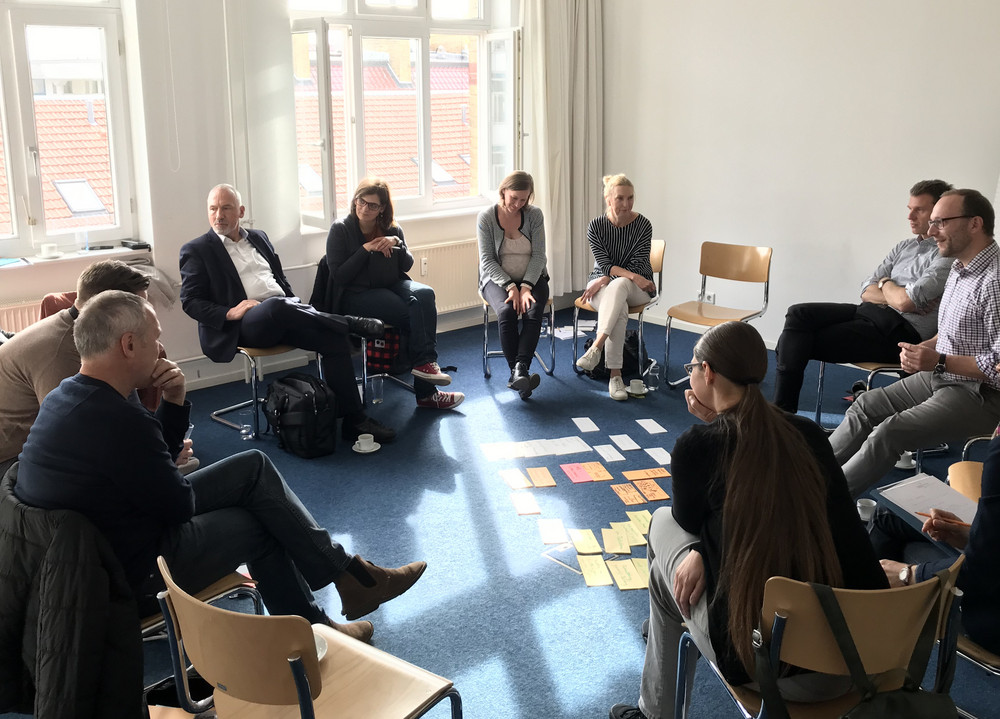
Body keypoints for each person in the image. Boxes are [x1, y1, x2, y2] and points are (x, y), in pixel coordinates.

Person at [14, 290, 427, 644]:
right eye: (155, 340)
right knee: (259, 522)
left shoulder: (66, 396)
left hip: (87, 560)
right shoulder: (117, 418)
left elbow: (153, 464)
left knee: (253, 468)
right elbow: (175, 505)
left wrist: (174, 401)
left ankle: (345, 584)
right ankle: (320, 621)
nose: (161, 351)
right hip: (127, 575)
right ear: (127, 345)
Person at [610, 321, 887, 719]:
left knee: (659, 530)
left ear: (708, 372)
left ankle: (654, 710)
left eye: (691, 366)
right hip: (857, 656)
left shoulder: (697, 447)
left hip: (768, 668)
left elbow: (688, 521)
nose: (690, 374)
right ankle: (666, 621)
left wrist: (704, 549)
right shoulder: (807, 432)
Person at [180, 183, 396, 444]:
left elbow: (279, 279)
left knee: (333, 340)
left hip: (285, 313)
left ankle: (355, 420)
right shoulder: (197, 249)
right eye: (213, 209)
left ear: (241, 211)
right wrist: (230, 312)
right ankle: (347, 322)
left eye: (226, 208)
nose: (219, 215)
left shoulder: (258, 237)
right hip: (245, 326)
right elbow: (190, 301)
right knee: (275, 305)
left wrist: (291, 301)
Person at [831, 189, 1000, 498]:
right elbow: (950, 335)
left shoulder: (995, 280)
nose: (931, 231)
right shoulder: (960, 267)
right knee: (865, 406)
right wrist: (928, 348)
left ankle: (816, 502)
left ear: (974, 224)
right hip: (945, 376)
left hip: (983, 395)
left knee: (890, 432)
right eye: (932, 222)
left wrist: (937, 361)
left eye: (941, 222)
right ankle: (805, 474)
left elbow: (999, 366)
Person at [773, 179, 954, 412]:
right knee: (798, 313)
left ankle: (781, 414)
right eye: (910, 209)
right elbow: (867, 290)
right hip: (868, 313)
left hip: (900, 332)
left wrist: (886, 286)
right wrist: (894, 291)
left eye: (919, 210)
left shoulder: (946, 255)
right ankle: (782, 414)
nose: (910, 217)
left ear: (938, 212)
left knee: (791, 343)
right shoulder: (904, 247)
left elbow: (906, 302)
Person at [0, 260, 175, 478]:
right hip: (12, 463)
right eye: (140, 309)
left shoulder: (79, 332)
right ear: (109, 307)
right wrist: (160, 453)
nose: (146, 317)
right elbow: (72, 436)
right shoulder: (63, 354)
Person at [325, 178, 464, 411]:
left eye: (373, 205)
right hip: (355, 294)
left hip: (391, 284)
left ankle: (425, 365)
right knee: (413, 313)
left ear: (382, 208)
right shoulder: (341, 229)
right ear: (355, 200)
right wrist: (365, 250)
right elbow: (339, 275)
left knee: (425, 294)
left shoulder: (391, 227)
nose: (365, 208)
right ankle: (427, 387)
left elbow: (407, 265)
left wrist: (396, 241)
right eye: (361, 201)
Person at [871, 432, 1000, 654]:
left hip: (990, 615)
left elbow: (981, 574)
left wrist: (909, 575)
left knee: (887, 539)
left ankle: (862, 632)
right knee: (889, 516)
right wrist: (974, 536)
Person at [575, 174, 656, 400]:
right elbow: (605, 264)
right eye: (620, 198)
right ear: (608, 199)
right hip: (604, 284)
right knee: (618, 306)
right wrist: (605, 278)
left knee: (620, 284)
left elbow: (637, 264)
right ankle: (615, 377)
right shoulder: (596, 226)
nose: (626, 204)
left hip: (638, 287)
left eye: (630, 198)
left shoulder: (643, 225)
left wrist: (611, 277)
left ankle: (596, 348)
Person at [478, 171, 549, 400]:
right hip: (497, 279)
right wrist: (510, 286)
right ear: (503, 192)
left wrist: (526, 286)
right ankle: (519, 372)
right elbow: (487, 260)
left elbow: (539, 256)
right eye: (514, 198)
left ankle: (518, 372)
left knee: (533, 310)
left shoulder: (534, 215)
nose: (518, 204)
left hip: (533, 276)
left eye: (523, 199)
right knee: (507, 311)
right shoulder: (486, 217)